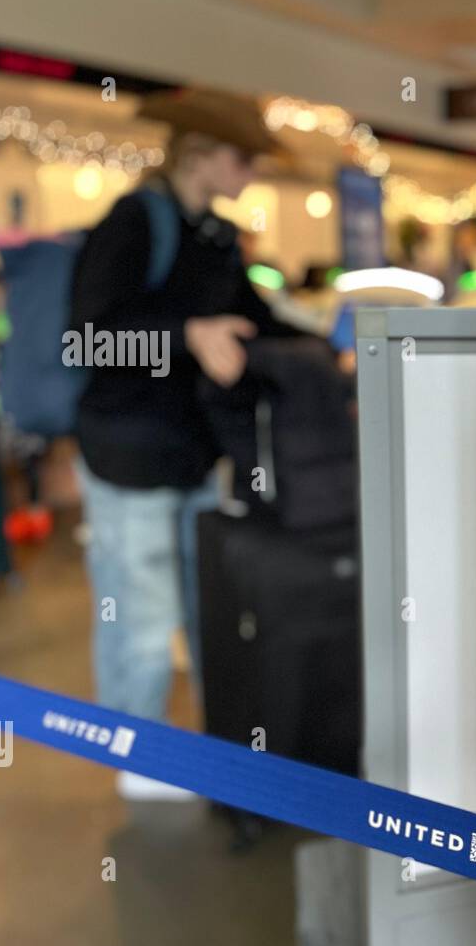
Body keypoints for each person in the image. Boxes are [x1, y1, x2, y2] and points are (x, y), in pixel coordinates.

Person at [70, 88, 304, 800]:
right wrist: (186, 335)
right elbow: (88, 336)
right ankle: (137, 760)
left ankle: (214, 740)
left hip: (196, 453)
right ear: (199, 154)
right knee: (139, 616)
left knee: (206, 606)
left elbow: (253, 316)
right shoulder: (134, 222)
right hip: (128, 457)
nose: (253, 171)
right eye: (244, 156)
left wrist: (335, 352)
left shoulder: (217, 235)